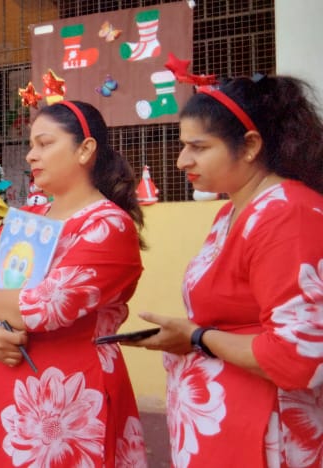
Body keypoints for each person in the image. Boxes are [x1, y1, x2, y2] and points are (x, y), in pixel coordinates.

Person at [127, 76, 323, 467]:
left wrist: (197, 337)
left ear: (250, 145)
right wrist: (192, 336)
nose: (182, 160)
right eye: (184, 146)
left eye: (198, 147)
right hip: (223, 427)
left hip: (264, 432)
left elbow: (295, 356)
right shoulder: (231, 212)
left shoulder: (286, 214)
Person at [0, 100, 147, 466]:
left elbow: (42, 308)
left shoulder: (107, 226)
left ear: (85, 149)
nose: (30, 156)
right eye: (31, 145)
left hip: (66, 405)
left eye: (44, 143)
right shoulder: (27, 219)